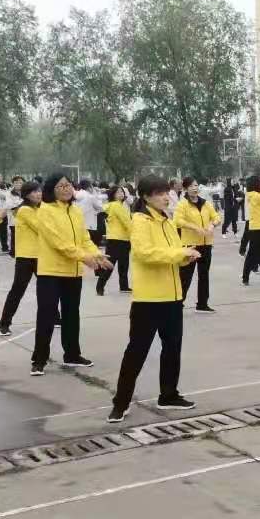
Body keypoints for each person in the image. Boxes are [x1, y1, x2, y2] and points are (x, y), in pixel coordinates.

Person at [107, 176, 204, 423]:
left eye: (166, 193)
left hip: (173, 297)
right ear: (145, 196)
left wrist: (185, 257)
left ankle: (168, 394)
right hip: (148, 300)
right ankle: (121, 402)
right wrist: (180, 253)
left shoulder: (167, 221)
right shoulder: (140, 221)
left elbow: (172, 255)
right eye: (159, 193)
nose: (165, 197)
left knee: (172, 349)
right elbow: (145, 253)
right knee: (136, 352)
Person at [31, 174, 112, 376]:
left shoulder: (75, 211)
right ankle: (39, 360)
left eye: (68, 185)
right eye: (61, 186)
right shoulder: (45, 210)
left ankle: (72, 355)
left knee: (71, 315)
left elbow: (84, 239)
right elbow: (58, 243)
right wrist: (85, 258)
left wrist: (97, 255)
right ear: (52, 189)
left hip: (72, 272)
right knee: (47, 315)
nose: (66, 189)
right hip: (50, 272)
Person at [0, 182, 43, 335]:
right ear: (26, 194)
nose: (38, 194)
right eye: (34, 192)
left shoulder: (39, 208)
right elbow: (41, 228)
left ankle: (55, 318)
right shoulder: (24, 210)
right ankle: (4, 323)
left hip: (40, 255)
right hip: (26, 257)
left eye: (39, 191)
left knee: (46, 289)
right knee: (18, 290)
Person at [175, 177, 221, 312]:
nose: (194, 188)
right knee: (185, 276)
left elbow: (216, 217)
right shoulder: (182, 204)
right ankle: (178, 303)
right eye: (191, 186)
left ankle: (202, 304)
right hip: (190, 245)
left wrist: (212, 225)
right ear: (185, 189)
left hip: (206, 244)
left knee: (204, 275)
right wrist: (194, 227)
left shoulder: (206, 203)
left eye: (195, 185)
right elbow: (177, 221)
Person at [95, 186, 133, 295]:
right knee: (111, 264)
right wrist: (135, 234)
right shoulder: (116, 205)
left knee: (123, 263)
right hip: (118, 238)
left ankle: (123, 286)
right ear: (113, 195)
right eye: (118, 192)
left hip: (119, 238)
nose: (121, 193)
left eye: (122, 191)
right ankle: (100, 286)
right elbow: (126, 222)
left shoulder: (114, 205)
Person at [5, 176, 23, 257]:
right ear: (13, 183)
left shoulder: (25, 192)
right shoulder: (9, 193)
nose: (18, 184)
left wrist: (17, 204)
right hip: (13, 219)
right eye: (16, 182)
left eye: (20, 182)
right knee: (14, 237)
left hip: (24, 219)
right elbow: (9, 205)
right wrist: (20, 204)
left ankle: (21, 252)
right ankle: (13, 253)